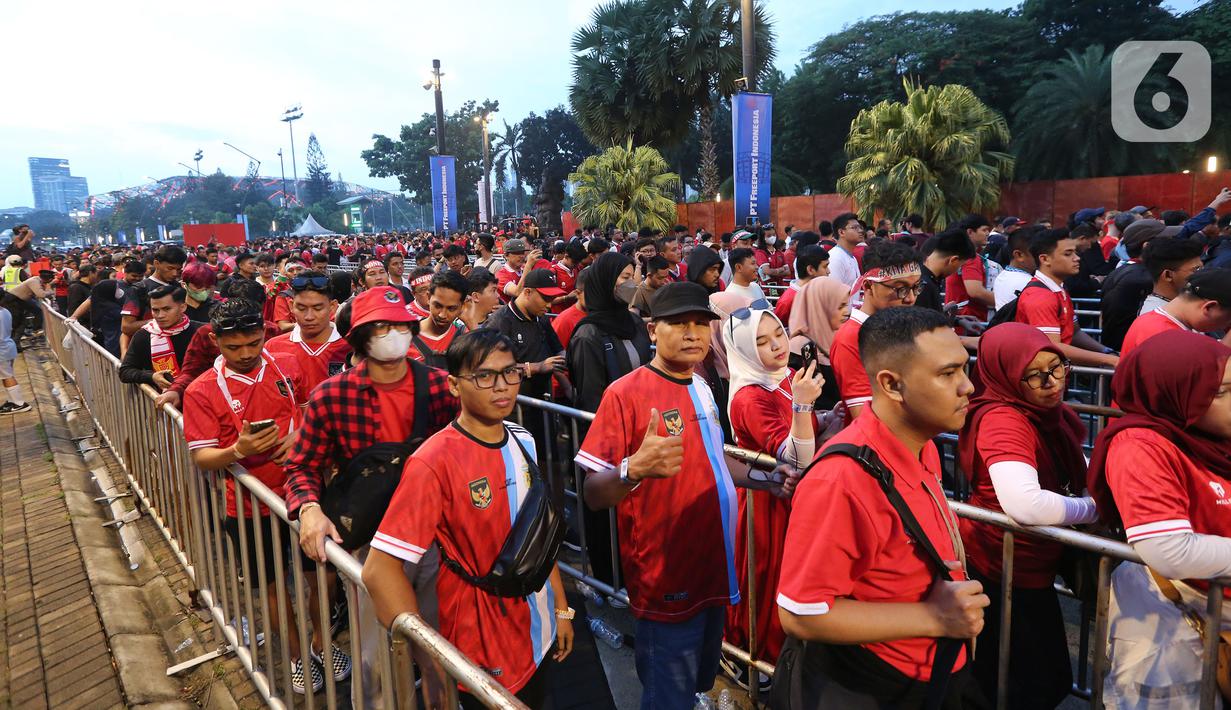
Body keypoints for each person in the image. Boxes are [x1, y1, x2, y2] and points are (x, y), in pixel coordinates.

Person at [577, 281, 798, 710]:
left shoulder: (700, 385)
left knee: (698, 675)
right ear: (652, 330)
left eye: (701, 323)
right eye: (678, 323)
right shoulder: (625, 393)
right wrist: (632, 469)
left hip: (715, 567)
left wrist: (768, 479)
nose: (693, 333)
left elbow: (715, 459)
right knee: (668, 692)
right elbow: (592, 493)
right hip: (667, 576)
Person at [777, 307, 988, 706]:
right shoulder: (842, 480)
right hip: (879, 685)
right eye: (947, 374)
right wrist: (934, 618)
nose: (967, 387)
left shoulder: (918, 444)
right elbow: (801, 612)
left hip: (936, 673)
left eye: (964, 369)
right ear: (892, 385)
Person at [362, 329, 573, 709]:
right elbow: (380, 569)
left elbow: (540, 535)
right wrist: (429, 652)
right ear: (455, 385)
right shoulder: (434, 461)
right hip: (479, 640)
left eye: (510, 373)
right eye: (484, 376)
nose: (502, 386)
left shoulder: (523, 439)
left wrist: (561, 608)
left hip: (536, 629)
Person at [181, 298, 341, 694]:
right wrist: (240, 451)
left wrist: (299, 436)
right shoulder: (202, 391)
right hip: (249, 506)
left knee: (320, 575)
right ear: (216, 341)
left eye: (253, 343)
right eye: (234, 347)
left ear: (263, 334)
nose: (246, 354)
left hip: (305, 496)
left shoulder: (286, 366)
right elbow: (202, 457)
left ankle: (324, 642)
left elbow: (308, 410)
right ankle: (295, 656)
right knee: (272, 587)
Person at [957, 323, 1097, 708]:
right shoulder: (1005, 418)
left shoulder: (1044, 412)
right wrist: (1093, 508)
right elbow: (1025, 503)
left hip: (1027, 564)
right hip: (1001, 566)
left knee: (1033, 677)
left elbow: (1069, 466)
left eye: (1058, 368)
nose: (1052, 383)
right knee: (1023, 681)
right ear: (1004, 374)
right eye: (1034, 375)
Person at [1088, 331, 1231, 708]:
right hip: (1169, 616)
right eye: (1219, 392)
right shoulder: (1140, 445)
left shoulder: (1210, 436)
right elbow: (1168, 549)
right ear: (1172, 391)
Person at [720, 303, 831, 689]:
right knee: (766, 579)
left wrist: (822, 417)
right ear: (745, 351)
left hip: (791, 502)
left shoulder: (782, 377)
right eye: (762, 342)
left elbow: (803, 430)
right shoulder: (750, 396)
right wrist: (804, 406)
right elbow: (794, 457)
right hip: (765, 504)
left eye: (779, 334)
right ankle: (756, 659)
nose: (777, 346)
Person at [830, 241, 923, 421]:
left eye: (916, 287)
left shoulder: (897, 324)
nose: (911, 298)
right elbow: (865, 417)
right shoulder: (852, 337)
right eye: (900, 289)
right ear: (868, 286)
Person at [1014, 229, 1120, 368]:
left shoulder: (1059, 289)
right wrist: (1109, 360)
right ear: (1045, 259)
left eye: (1075, 252)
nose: (1077, 258)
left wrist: (1106, 351)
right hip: (1040, 382)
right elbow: (1051, 346)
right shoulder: (1040, 297)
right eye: (1068, 254)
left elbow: (1074, 332)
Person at [567, 252, 652, 414]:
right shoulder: (588, 335)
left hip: (641, 415)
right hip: (612, 422)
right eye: (625, 277)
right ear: (605, 281)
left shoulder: (634, 322)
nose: (631, 284)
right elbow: (591, 397)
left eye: (632, 277)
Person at [264, 272, 350, 392]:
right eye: (301, 308)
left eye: (318, 308)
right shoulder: (273, 348)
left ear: (333, 306)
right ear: (291, 306)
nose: (309, 316)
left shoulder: (350, 347)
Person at [1100, 220, 1178, 351]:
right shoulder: (1143, 278)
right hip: (1132, 352)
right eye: (1166, 240)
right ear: (1146, 246)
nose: (1172, 244)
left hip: (1120, 351)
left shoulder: (1122, 271)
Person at [1120, 267, 1231, 357]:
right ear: (1209, 307)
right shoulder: (1165, 337)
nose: (1226, 325)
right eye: (1228, 319)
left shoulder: (1156, 321)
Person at [119, 285, 202, 390]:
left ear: (183, 307)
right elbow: (125, 371)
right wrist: (151, 377)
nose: (160, 315)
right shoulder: (143, 335)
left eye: (166, 309)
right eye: (155, 310)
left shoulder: (201, 332)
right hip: (163, 401)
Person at [787, 276, 850, 411]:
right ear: (820, 308)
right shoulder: (800, 348)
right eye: (840, 307)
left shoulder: (837, 335)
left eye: (846, 305)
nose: (846, 312)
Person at [120, 245, 186, 354]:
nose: (175, 273)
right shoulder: (139, 289)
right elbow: (126, 327)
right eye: (170, 268)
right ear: (156, 264)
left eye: (178, 269)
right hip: (149, 350)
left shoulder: (179, 288)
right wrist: (161, 321)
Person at [943, 214, 995, 325]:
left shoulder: (958, 253)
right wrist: (1004, 302)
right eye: (984, 230)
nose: (987, 233)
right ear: (970, 232)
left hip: (959, 319)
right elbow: (975, 291)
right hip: (970, 321)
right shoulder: (970, 258)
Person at [410, 270, 468, 369]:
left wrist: (471, 322)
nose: (442, 315)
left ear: (462, 306)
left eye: (451, 308)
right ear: (428, 297)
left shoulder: (465, 337)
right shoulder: (405, 336)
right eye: (438, 306)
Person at [1138, 237, 1205, 316]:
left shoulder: (1179, 303)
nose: (1203, 273)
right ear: (1168, 275)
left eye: (1202, 268)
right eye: (1196, 269)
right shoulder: (1160, 318)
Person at [773, 243, 828, 325]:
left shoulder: (816, 291)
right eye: (825, 266)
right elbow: (779, 330)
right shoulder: (787, 301)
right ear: (810, 270)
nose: (828, 271)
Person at [992, 228, 1037, 310]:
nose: (1042, 258)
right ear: (1019, 255)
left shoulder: (1002, 276)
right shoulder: (1028, 283)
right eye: (1036, 253)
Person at [0, 307, 29, 414]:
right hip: (8, 346)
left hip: (2, 350)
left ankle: (19, 403)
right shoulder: (5, 311)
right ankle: (12, 401)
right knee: (6, 375)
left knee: (7, 376)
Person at [552, 269, 589, 350]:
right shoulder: (564, 320)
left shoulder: (604, 313)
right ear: (578, 293)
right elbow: (557, 354)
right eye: (591, 294)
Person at [828, 213, 864, 289]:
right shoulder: (835, 258)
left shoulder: (852, 257)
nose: (860, 231)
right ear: (841, 232)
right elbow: (833, 293)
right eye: (855, 228)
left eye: (860, 227)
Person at [460, 267, 500, 332]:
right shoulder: (458, 326)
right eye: (493, 290)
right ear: (476, 297)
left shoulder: (499, 322)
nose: (498, 295)